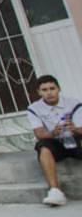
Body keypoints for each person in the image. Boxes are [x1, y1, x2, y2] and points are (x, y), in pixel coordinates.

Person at [26, 75, 82, 206]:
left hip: (75, 139)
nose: (49, 93)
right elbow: (39, 134)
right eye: (44, 90)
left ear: (59, 89)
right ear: (39, 92)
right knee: (42, 146)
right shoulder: (34, 108)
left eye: (52, 88)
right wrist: (52, 133)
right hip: (55, 143)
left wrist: (74, 129)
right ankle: (55, 191)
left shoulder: (73, 103)